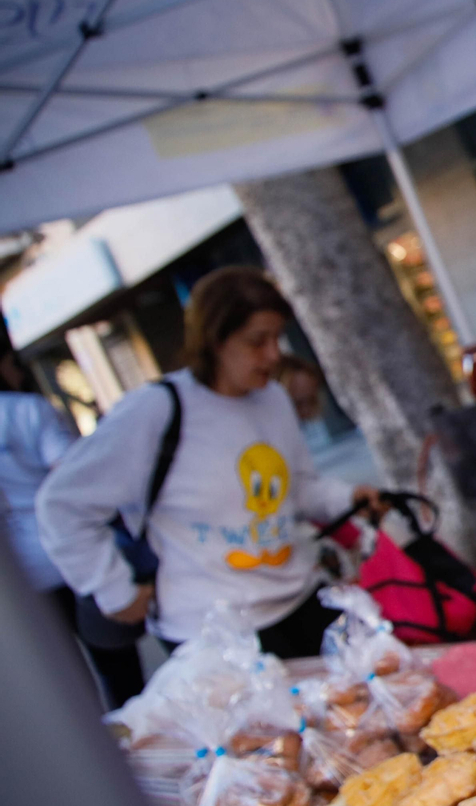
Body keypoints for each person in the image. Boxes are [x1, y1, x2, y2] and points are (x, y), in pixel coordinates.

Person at [38, 267, 385, 658]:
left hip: (300, 599)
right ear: (215, 339)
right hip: (214, 632)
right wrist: (113, 589)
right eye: (257, 341)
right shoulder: (155, 410)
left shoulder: (272, 398)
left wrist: (347, 496)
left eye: (277, 338)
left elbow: (297, 486)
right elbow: (62, 504)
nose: (273, 354)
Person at [0, 333, 146, 707]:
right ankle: (138, 740)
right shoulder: (27, 410)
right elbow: (72, 477)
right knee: (119, 670)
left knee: (64, 686)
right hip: (72, 557)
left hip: (23, 579)